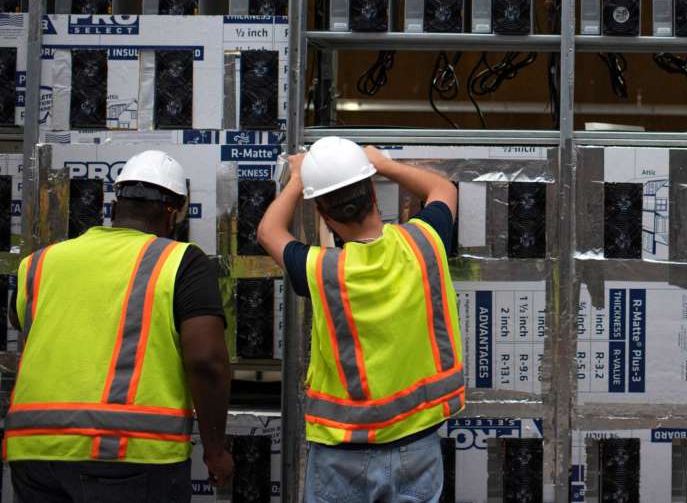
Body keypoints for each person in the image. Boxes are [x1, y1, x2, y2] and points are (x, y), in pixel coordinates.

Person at [4, 149, 233, 502]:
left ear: (115, 206)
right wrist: (215, 448)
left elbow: (20, 321)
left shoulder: (40, 263)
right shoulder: (180, 261)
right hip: (129, 454)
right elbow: (207, 361)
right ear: (173, 214)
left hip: (33, 449)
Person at [257, 137, 464, 503]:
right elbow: (442, 187)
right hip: (416, 447)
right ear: (373, 191)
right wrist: (382, 163)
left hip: (342, 452)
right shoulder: (424, 242)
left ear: (323, 213)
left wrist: (296, 180)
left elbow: (268, 231)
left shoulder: (320, 270)